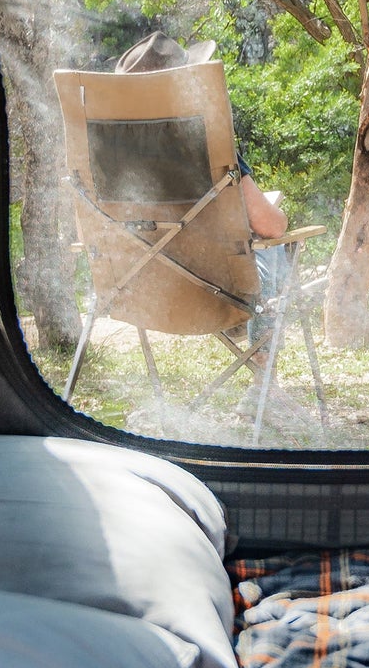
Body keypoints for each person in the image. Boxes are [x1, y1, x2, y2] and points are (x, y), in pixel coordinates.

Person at [112, 32, 296, 412]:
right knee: (278, 248)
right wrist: (278, 216)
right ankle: (264, 387)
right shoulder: (209, 140)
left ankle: (254, 367)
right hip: (222, 290)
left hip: (143, 288)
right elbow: (270, 227)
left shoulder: (109, 152)